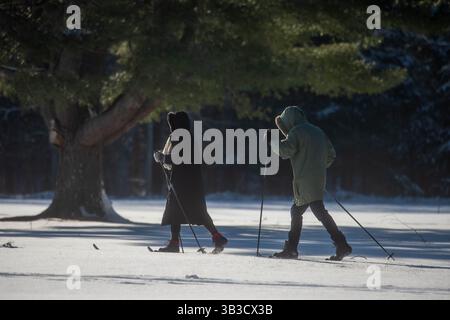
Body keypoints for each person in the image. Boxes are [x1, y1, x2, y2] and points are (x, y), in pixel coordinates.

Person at [271, 106, 352, 260]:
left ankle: (340, 244)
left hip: (304, 179)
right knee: (302, 211)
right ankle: (340, 244)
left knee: (314, 210)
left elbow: (286, 150)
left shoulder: (296, 132)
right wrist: (318, 167)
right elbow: (331, 155)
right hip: (318, 177)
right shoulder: (318, 131)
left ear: (289, 120)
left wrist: (273, 142)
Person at [153, 111, 228, 253]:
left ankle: (174, 243)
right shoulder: (187, 137)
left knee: (175, 210)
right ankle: (217, 237)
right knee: (198, 212)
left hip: (183, 184)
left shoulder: (182, 139)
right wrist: (164, 158)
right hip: (193, 184)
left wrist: (162, 158)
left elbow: (177, 159)